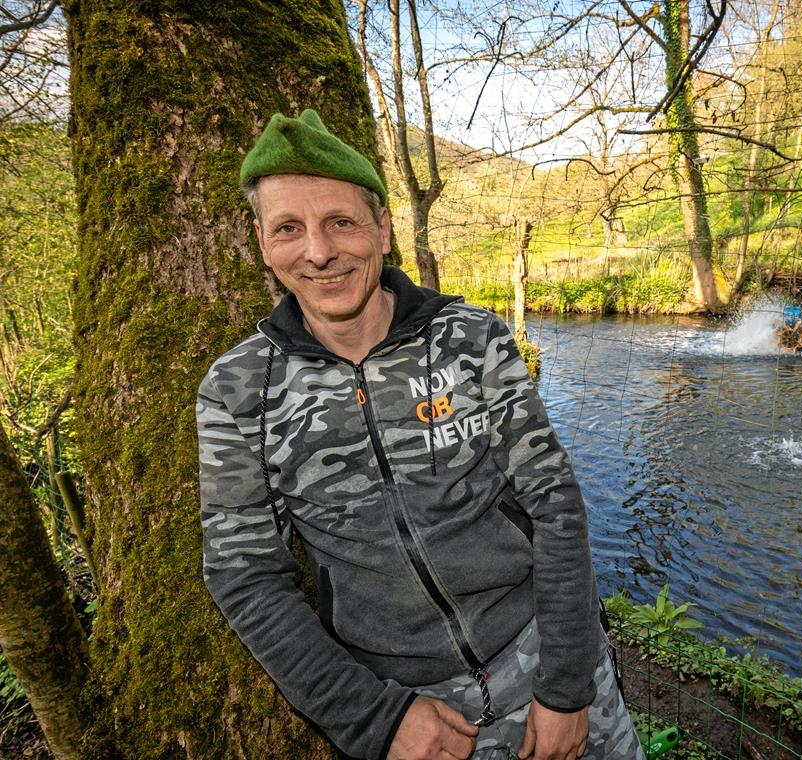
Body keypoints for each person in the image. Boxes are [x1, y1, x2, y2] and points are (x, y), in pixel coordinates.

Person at [196, 109, 644, 760]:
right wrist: (374, 720)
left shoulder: (471, 339)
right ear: (263, 242)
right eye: (289, 228)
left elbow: (556, 505)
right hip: (407, 709)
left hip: (547, 658)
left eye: (341, 222)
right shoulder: (237, 391)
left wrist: (568, 686)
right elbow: (244, 576)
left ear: (381, 229)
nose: (319, 251)